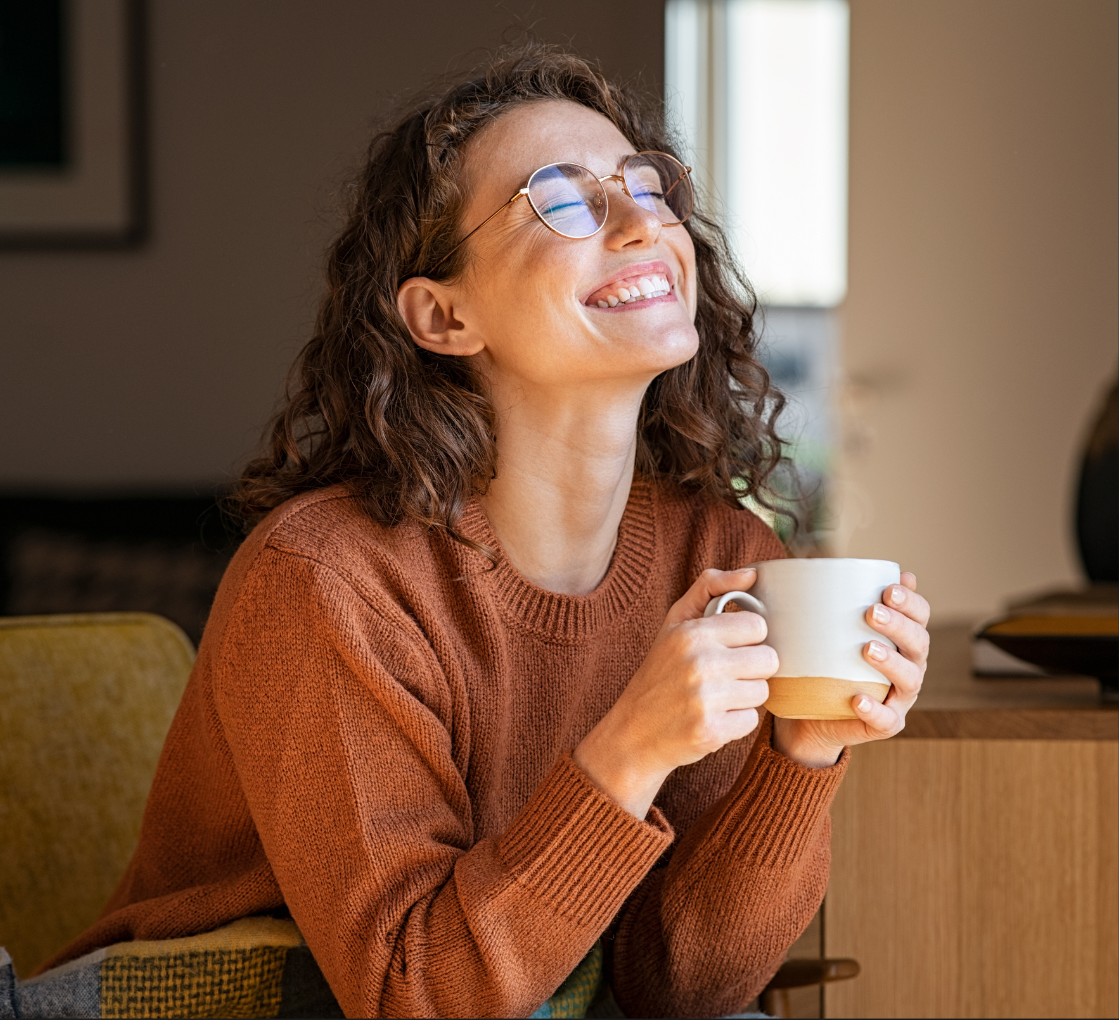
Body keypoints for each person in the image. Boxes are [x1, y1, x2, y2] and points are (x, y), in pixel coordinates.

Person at [48, 45, 930, 1018]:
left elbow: (676, 991)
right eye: (561, 199)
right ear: (443, 314)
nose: (643, 221)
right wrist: (627, 752)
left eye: (649, 185)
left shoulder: (720, 559)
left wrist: (800, 755)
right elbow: (410, 994)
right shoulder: (328, 579)